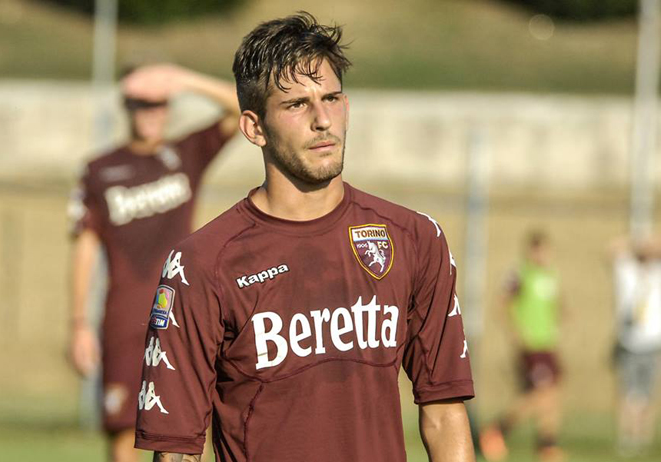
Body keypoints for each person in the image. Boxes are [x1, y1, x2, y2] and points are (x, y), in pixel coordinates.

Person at [134, 12, 475, 462]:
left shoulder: (414, 239)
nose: (322, 120)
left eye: (330, 98)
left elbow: (444, 412)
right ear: (254, 127)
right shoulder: (201, 265)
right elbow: (176, 450)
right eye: (296, 105)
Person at [67, 63, 239, 462]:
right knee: (124, 428)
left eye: (158, 104)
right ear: (126, 107)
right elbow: (85, 248)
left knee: (186, 428)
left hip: (183, 310)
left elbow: (244, 108)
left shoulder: (185, 154)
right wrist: (78, 324)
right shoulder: (100, 170)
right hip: (126, 316)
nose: (150, 113)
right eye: (141, 104)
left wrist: (183, 79)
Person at [479, 230, 564, 462]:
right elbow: (501, 304)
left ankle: (547, 445)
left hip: (548, 343)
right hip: (530, 345)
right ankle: (496, 431)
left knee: (551, 395)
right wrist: (515, 332)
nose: (542, 254)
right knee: (541, 394)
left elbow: (553, 305)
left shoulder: (551, 275)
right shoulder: (520, 274)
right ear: (530, 250)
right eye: (537, 249)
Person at [611, 236, 661, 457]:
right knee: (628, 393)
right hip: (630, 343)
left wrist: (654, 244)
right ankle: (627, 437)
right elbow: (613, 248)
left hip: (652, 343)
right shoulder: (627, 271)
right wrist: (638, 242)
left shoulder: (658, 273)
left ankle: (643, 437)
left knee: (648, 393)